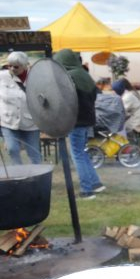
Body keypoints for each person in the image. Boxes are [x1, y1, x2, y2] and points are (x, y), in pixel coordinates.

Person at [53, 49, 104, 199]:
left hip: (75, 120)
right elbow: (94, 96)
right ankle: (96, 183)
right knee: (82, 153)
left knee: (77, 155)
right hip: (87, 118)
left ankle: (87, 190)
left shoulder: (69, 77)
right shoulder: (84, 74)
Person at [0, 51, 42, 164]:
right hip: (8, 121)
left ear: (25, 65)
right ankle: (19, 176)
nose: (12, 68)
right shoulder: (2, 76)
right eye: (9, 65)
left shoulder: (35, 77)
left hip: (31, 123)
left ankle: (38, 179)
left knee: (34, 153)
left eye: (16, 66)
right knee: (12, 149)